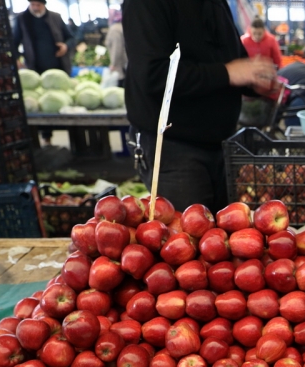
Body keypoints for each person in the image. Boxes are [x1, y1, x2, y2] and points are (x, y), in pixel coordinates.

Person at [124, 0, 277, 211]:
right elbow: (154, 75)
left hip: (221, 146)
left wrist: (255, 80)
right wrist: (228, 73)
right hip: (174, 148)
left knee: (219, 238)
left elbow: (232, 59)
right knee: (186, 239)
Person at [12, 0, 72, 74]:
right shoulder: (21, 18)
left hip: (58, 65)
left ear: (44, 4)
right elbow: (14, 42)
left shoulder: (55, 17)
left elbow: (70, 38)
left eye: (38, 5)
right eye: (33, 4)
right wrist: (16, 58)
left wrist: (66, 46)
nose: (35, 8)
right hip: (34, 67)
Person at [105, 14, 127, 86]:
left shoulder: (115, 29)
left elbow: (116, 48)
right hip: (124, 63)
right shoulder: (121, 26)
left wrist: (113, 64)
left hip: (120, 64)